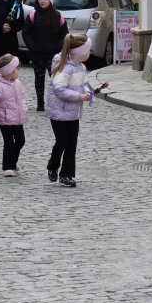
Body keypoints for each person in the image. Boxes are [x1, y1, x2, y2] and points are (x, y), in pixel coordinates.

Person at [46, 34, 94, 188]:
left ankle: (67, 175)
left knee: (72, 144)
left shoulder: (81, 67)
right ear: (80, 53)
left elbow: (83, 83)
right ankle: (53, 165)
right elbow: (59, 89)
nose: (89, 53)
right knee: (62, 141)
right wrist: (79, 96)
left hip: (73, 113)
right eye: (88, 50)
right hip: (58, 112)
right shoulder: (65, 68)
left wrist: (87, 92)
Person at [22, 0, 68, 111]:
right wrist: (32, 46)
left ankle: (56, 102)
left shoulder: (58, 16)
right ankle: (40, 102)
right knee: (39, 79)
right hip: (37, 53)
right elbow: (25, 32)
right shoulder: (33, 15)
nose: (42, 1)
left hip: (53, 55)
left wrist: (58, 47)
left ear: (50, 1)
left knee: (55, 79)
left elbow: (64, 34)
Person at [0, 53, 28, 177]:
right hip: (5, 118)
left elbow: (21, 97)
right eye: (17, 69)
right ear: (10, 71)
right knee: (9, 143)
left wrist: (24, 108)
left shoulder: (17, 83)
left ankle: (13, 160)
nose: (18, 72)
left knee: (21, 140)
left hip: (17, 117)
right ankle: (7, 166)